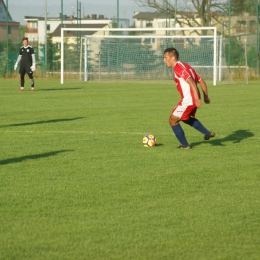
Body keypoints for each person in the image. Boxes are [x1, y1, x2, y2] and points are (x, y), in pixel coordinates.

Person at [163, 47, 215, 149]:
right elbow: (202, 81)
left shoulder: (179, 67)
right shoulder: (187, 66)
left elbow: (191, 81)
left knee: (172, 121)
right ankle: (207, 133)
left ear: (173, 58)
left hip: (189, 100)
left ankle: (185, 145)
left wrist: (196, 99)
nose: (164, 60)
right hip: (192, 99)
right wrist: (205, 97)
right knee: (185, 119)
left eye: (165, 57)